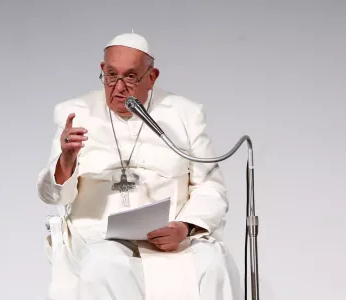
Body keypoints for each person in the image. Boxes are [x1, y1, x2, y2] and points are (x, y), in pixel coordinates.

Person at [37, 32, 242, 300]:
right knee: (105, 265)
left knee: (211, 264)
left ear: (152, 77)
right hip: (100, 237)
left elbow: (211, 188)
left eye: (131, 77)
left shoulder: (184, 115)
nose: (118, 87)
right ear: (102, 70)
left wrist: (185, 227)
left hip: (173, 239)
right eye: (111, 75)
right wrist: (66, 159)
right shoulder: (75, 112)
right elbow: (52, 195)